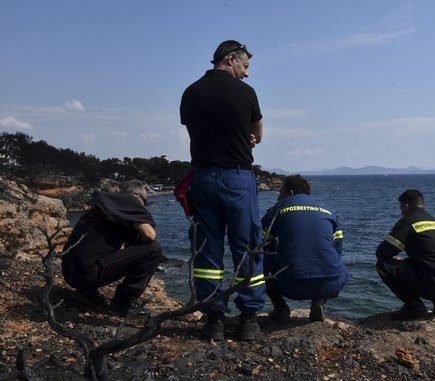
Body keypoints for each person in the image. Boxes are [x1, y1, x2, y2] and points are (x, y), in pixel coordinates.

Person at [180, 40, 265, 341]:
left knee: (207, 249)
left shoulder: (190, 93)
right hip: (237, 177)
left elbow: (198, 131)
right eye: (244, 66)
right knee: (247, 246)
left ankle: (214, 319)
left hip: (202, 178)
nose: (246, 74)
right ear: (230, 59)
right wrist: (246, 138)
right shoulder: (245, 93)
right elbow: (258, 134)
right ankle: (249, 318)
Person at [61, 181, 162, 317]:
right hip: (88, 274)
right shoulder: (130, 201)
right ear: (138, 196)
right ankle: (122, 304)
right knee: (153, 249)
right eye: (145, 201)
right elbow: (150, 236)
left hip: (70, 273)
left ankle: (86, 293)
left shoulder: (105, 204)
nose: (144, 205)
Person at [261, 175, 349, 322]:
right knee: (341, 267)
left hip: (290, 285)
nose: (278, 196)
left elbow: (260, 241)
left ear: (290, 193)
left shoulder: (280, 208)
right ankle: (319, 301)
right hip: (329, 284)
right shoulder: (328, 211)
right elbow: (338, 248)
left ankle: (280, 307)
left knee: (263, 259)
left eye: (280, 191)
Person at [375, 189, 435, 320]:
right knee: (432, 263)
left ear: (405, 206)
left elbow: (383, 252)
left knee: (382, 265)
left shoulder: (408, 222)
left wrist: (398, 259)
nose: (401, 212)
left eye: (401, 208)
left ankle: (414, 307)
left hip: (433, 284)